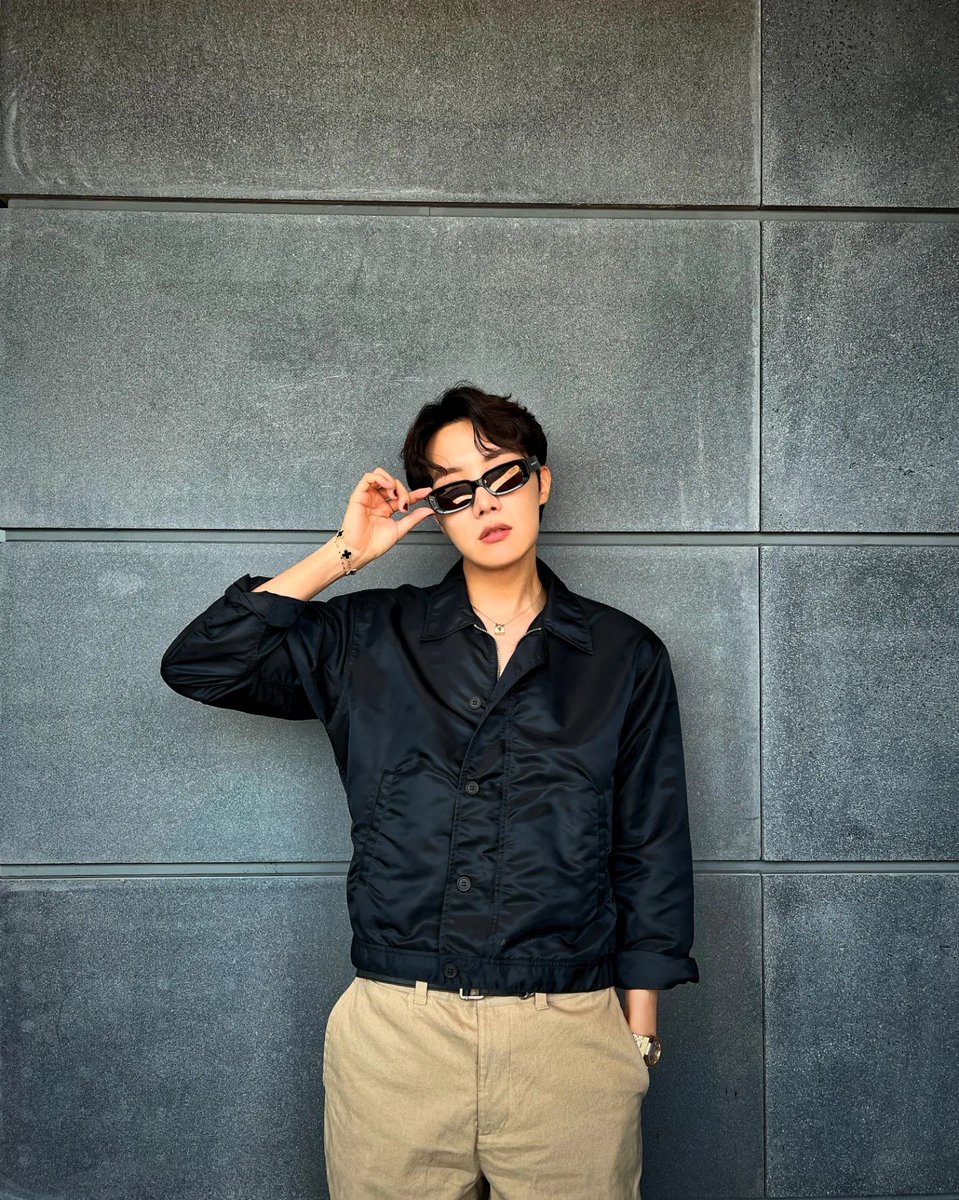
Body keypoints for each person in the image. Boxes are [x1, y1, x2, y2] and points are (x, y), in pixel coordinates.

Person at [160, 382, 700, 1199]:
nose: (484, 502)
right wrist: (346, 552)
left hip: (568, 1038)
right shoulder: (365, 638)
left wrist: (637, 1039)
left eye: (502, 474)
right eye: (454, 489)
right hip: (397, 1038)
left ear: (541, 481)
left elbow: (650, 844)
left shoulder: (623, 655)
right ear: (433, 510)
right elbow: (201, 664)